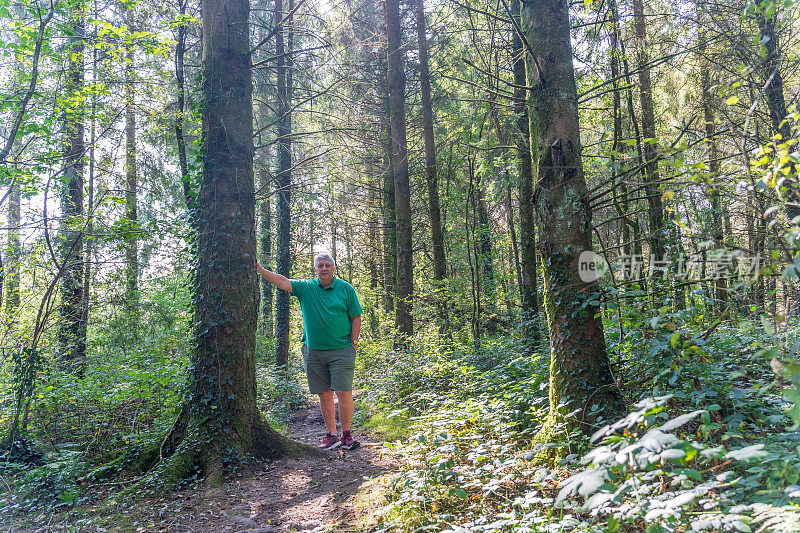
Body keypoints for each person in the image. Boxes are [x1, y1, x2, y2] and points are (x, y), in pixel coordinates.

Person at [257, 253, 363, 450]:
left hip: (342, 350)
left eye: (327, 265)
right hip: (313, 351)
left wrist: (353, 343)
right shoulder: (306, 288)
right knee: (324, 394)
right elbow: (284, 282)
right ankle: (331, 435)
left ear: (333, 268)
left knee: (343, 391)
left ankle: (346, 435)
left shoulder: (345, 289)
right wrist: (261, 271)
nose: (324, 268)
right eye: (320, 265)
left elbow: (356, 316)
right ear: (315, 269)